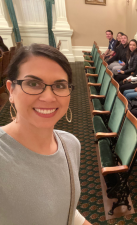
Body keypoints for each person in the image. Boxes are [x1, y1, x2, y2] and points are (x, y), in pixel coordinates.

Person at [0, 44, 92, 225]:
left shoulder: (70, 144)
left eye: (59, 85)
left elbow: (66, 210)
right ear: (11, 89)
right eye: (33, 84)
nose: (48, 97)